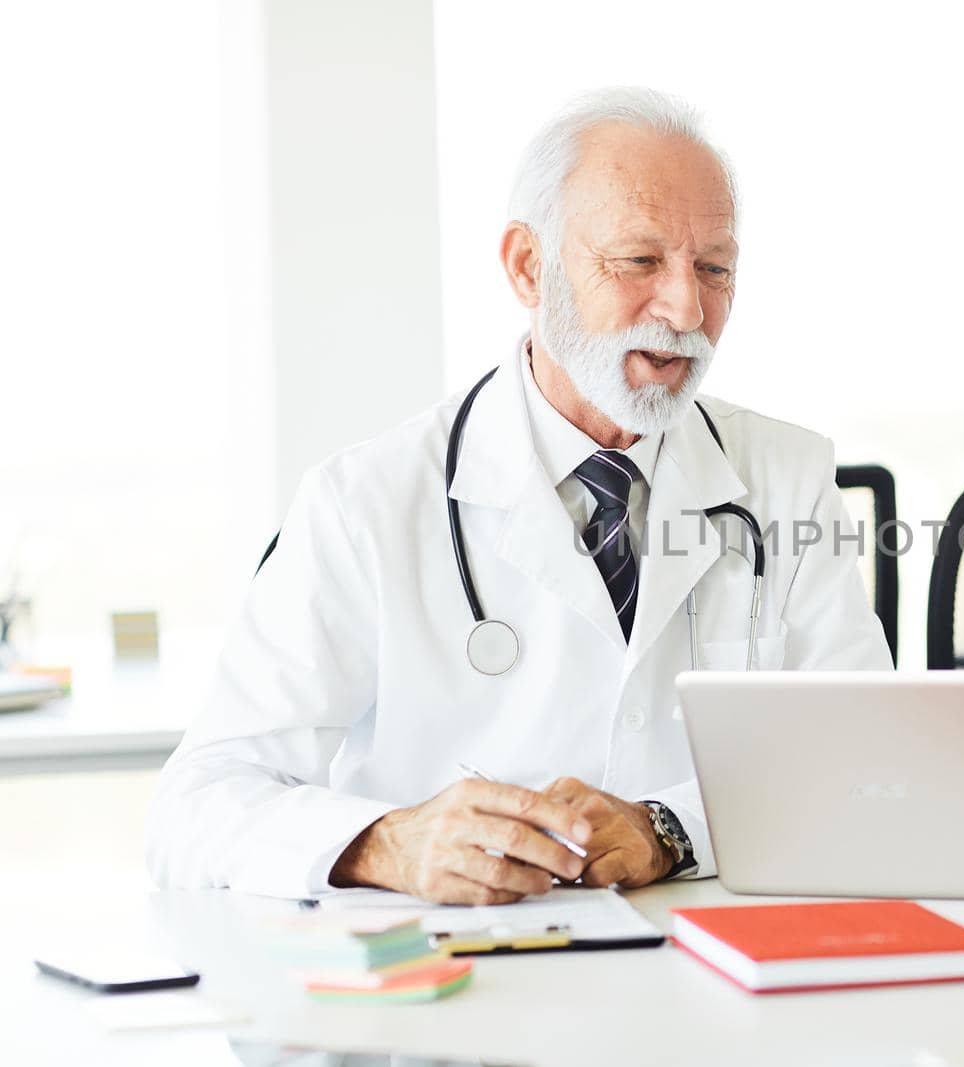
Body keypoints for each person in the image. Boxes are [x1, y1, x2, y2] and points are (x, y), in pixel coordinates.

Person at [146, 87, 891, 901]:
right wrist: (383, 843)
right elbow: (197, 807)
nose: (687, 308)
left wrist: (667, 829)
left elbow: (869, 762)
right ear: (528, 266)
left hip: (714, 975)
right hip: (460, 984)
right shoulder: (366, 500)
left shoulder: (788, 475)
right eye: (639, 261)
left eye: (714, 269)